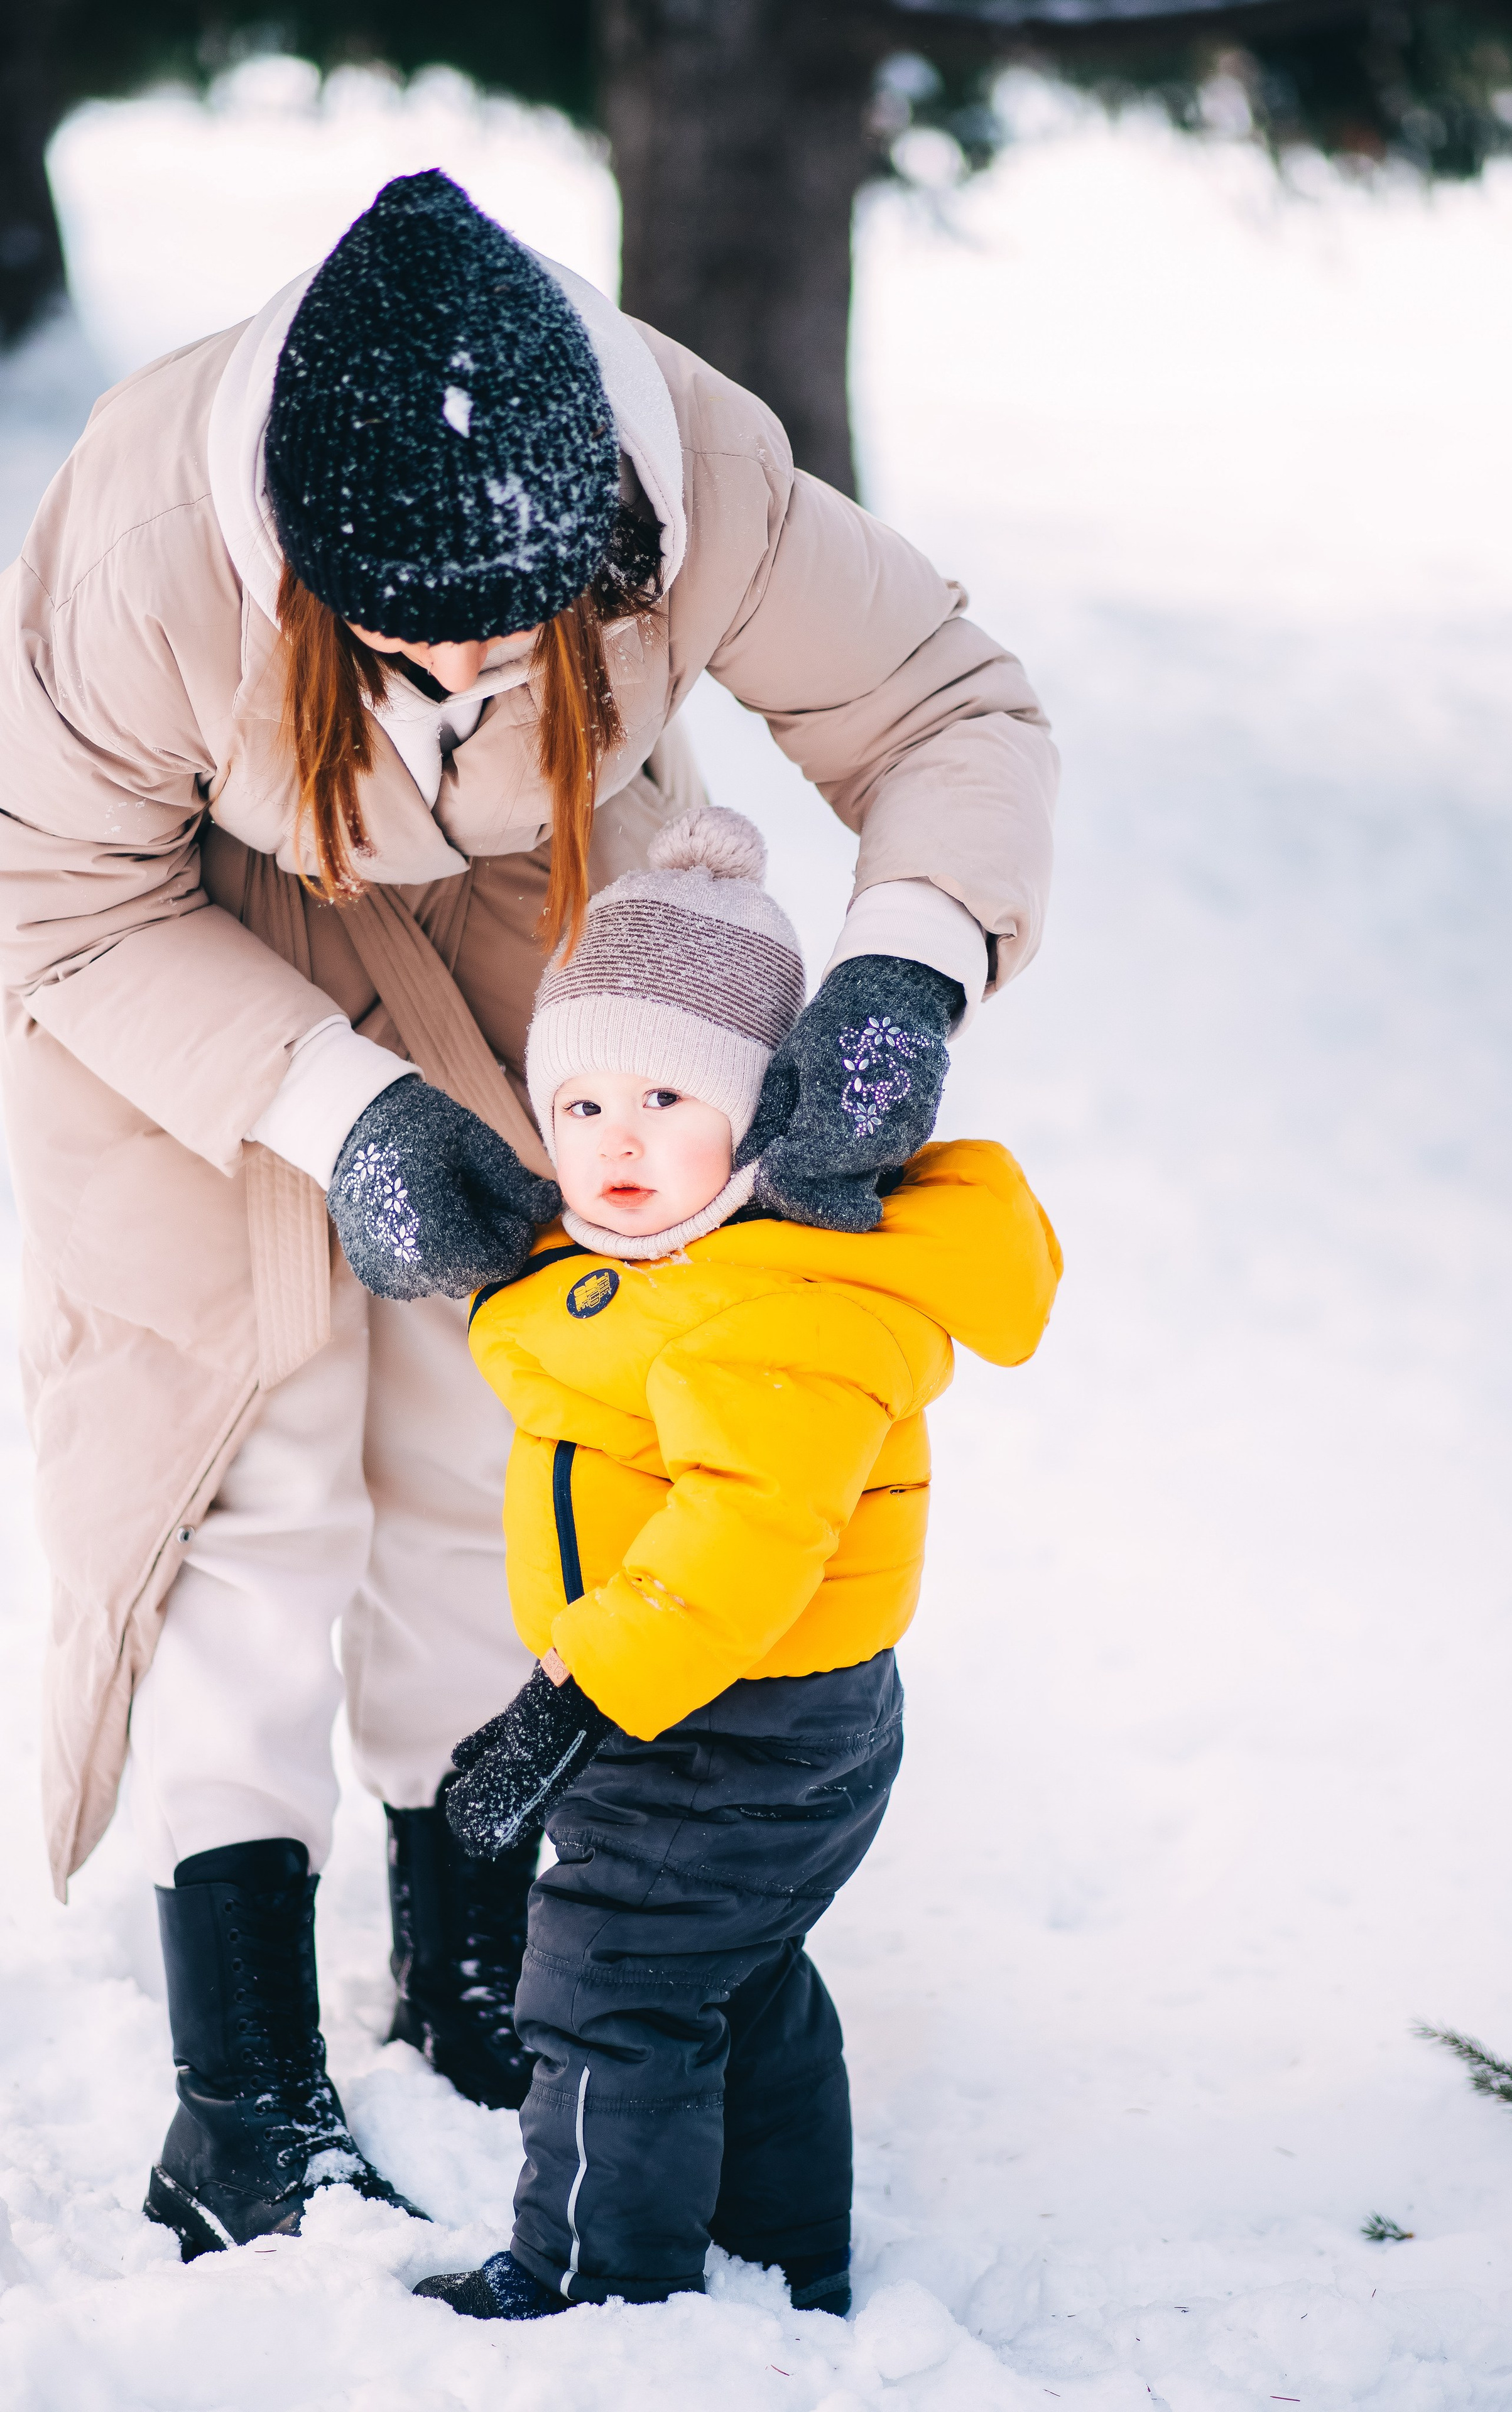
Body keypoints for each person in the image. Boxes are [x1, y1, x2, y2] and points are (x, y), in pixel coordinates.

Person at [0, 168, 1056, 2255]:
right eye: (414, 641)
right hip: (167, 954)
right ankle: (242, 2087)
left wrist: (910, 961)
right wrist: (341, 1112)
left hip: (547, 920)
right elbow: (54, 891)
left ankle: (476, 1951)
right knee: (246, 1453)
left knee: (519, 1419)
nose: (473, 667)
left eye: (520, 630)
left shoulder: (703, 482)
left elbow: (946, 706)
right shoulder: (141, 560)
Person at [410, 805, 1061, 2319]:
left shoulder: (785, 1297)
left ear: (763, 1113)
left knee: (610, 1982)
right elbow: (592, 1359)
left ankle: (596, 2283)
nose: (616, 1139)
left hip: (724, 1718)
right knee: (733, 1973)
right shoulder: (679, 1262)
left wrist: (571, 1699)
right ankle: (782, 2251)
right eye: (578, 1103)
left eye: (664, 1095)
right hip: (722, 1705)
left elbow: (747, 1530)